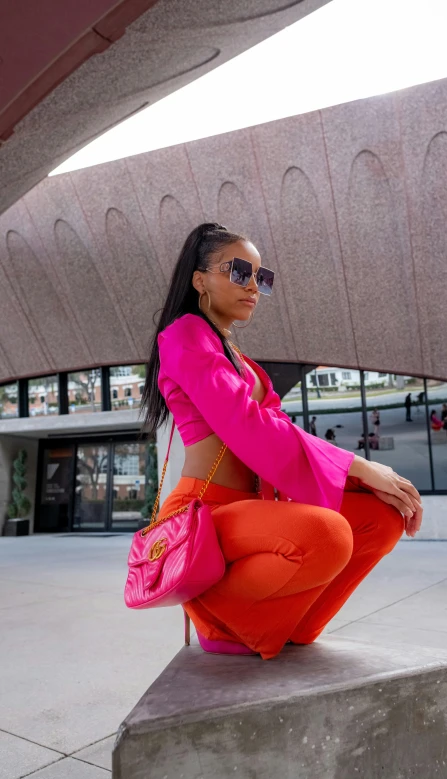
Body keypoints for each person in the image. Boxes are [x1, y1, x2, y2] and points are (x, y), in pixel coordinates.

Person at [141, 223, 423, 661]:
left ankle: (295, 621)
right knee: (326, 535)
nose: (253, 286)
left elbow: (282, 433)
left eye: (261, 277)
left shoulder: (242, 359)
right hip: (207, 510)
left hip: (255, 508)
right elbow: (245, 424)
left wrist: (361, 481)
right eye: (239, 272)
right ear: (200, 280)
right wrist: (359, 465)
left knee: (381, 517)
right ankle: (220, 613)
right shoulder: (183, 335)